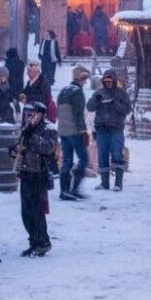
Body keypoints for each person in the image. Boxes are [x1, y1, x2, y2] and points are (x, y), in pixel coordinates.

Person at [14, 102, 58, 257]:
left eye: (34, 113)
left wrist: (31, 135)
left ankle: (43, 242)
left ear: (41, 114)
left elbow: (47, 148)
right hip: (26, 172)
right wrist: (14, 150)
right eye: (28, 113)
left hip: (39, 174)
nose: (30, 117)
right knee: (26, 212)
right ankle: (33, 241)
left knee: (37, 211)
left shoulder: (49, 128)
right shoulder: (26, 128)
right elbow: (21, 148)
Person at [87, 69, 130, 191]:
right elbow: (89, 107)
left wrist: (114, 103)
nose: (108, 82)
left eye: (110, 80)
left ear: (114, 80)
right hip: (101, 129)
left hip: (116, 128)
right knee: (102, 156)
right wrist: (96, 100)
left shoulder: (121, 93)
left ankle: (118, 183)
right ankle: (104, 183)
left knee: (117, 154)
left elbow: (127, 109)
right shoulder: (99, 93)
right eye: (106, 80)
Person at [56, 66, 91, 201]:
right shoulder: (77, 92)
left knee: (67, 161)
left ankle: (64, 191)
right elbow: (78, 114)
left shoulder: (64, 91)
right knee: (83, 159)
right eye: (85, 78)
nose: (86, 82)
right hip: (74, 131)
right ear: (80, 78)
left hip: (63, 131)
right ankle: (74, 189)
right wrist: (83, 132)